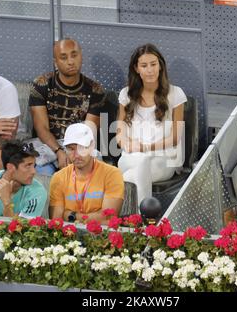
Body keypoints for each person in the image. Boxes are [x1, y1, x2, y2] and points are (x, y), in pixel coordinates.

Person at [116, 43, 186, 205]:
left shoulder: (176, 94)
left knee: (133, 173)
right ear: (136, 68)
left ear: (160, 66)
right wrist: (127, 143)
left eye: (154, 64)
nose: (150, 70)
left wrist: (146, 148)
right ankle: (145, 221)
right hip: (131, 157)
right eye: (144, 65)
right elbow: (120, 132)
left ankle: (132, 219)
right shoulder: (126, 95)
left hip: (163, 158)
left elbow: (175, 137)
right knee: (139, 163)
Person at [28, 38, 106, 175]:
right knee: (43, 172)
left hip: (79, 147)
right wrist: (59, 151)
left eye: (74, 55)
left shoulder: (95, 90)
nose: (70, 61)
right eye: (63, 57)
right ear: (55, 62)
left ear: (81, 56)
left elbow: (88, 131)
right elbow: (41, 128)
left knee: (95, 167)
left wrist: (72, 152)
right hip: (45, 145)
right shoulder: (41, 84)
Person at [49, 123, 124, 224]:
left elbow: (107, 219)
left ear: (92, 146)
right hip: (68, 236)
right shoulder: (59, 177)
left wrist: (71, 215)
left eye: (82, 147)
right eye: (71, 149)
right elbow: (56, 220)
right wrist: (95, 216)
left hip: (100, 237)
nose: (77, 155)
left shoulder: (112, 174)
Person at [0, 140, 47, 218]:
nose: (34, 171)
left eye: (34, 165)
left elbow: (22, 229)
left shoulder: (37, 192)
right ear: (10, 167)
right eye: (28, 166)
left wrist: (7, 203)